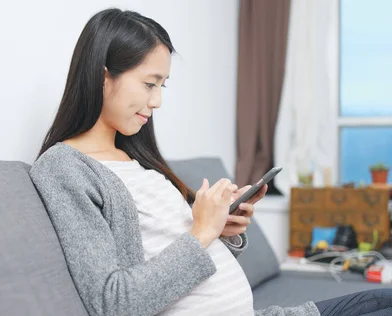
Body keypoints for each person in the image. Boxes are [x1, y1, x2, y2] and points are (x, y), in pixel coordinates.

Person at [29, 8, 392, 316]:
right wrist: (202, 231)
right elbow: (116, 301)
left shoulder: (135, 157)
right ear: (103, 75)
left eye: (162, 86)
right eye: (149, 84)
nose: (157, 103)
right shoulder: (65, 168)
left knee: (382, 300)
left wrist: (222, 228)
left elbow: (173, 244)